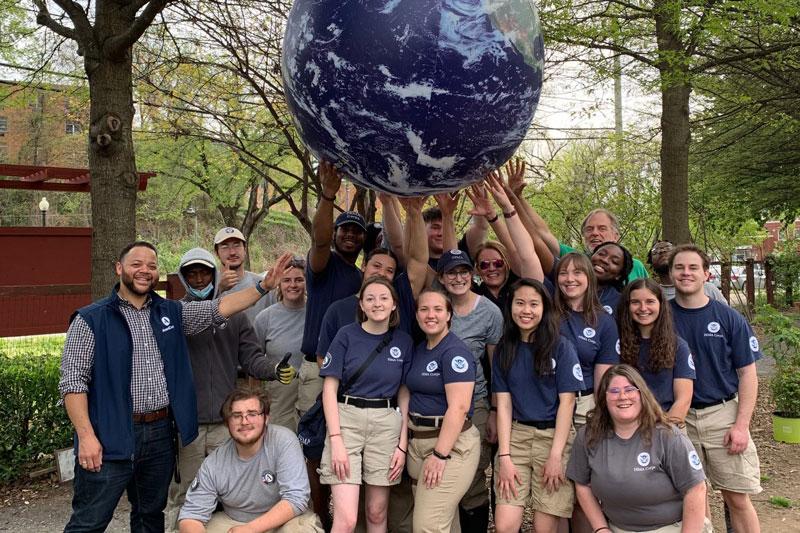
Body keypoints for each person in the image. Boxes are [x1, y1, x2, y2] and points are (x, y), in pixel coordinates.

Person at [58, 241, 293, 532]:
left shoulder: (170, 312)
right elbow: (72, 382)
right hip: (110, 433)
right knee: (90, 520)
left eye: (152, 266)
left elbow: (218, 309)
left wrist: (262, 288)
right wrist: (86, 435)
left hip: (159, 433)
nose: (145, 271)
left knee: (150, 514)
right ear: (119, 269)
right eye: (136, 264)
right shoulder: (90, 319)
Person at [166, 247, 284, 532]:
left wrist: (274, 369)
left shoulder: (236, 315)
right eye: (191, 273)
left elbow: (252, 357)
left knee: (231, 491)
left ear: (214, 273)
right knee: (187, 495)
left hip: (226, 423)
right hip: (188, 425)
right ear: (183, 278)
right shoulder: (173, 315)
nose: (197, 279)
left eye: (203, 272)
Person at [669, 244, 763, 531]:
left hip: (722, 415)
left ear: (706, 274)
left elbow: (748, 374)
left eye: (693, 267)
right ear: (671, 273)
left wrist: (741, 425)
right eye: (680, 267)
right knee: (694, 498)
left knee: (737, 497)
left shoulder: (728, 318)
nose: (686, 273)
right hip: (677, 419)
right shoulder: (661, 317)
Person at [319, 277, 414, 532]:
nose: (377, 303)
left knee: (376, 512)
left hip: (386, 421)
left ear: (394, 304)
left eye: (384, 298)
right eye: (370, 298)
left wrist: (402, 445)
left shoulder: (403, 342)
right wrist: (336, 438)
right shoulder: (346, 335)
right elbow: (330, 387)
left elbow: (404, 393)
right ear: (361, 304)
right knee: (347, 518)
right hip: (347, 419)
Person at [567, 364, 709, 533]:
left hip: (673, 527)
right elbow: (582, 485)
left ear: (642, 394)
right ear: (603, 398)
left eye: (629, 389)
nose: (622, 396)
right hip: (617, 528)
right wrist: (601, 528)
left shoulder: (668, 437)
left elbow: (696, 489)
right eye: (614, 391)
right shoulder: (588, 436)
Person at [493, 279, 583, 533]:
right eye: (519, 303)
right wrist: (505, 456)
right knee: (505, 525)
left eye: (534, 304)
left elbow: (567, 403)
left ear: (544, 308)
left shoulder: (561, 346)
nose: (526, 310)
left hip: (553, 437)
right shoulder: (504, 348)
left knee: (545, 528)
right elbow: (504, 404)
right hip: (517, 436)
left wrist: (556, 455)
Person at [178, 387, 323, 533]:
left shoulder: (284, 441)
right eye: (236, 415)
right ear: (227, 423)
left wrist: (251, 529)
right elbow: (191, 516)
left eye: (252, 414)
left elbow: (296, 499)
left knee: (302, 529)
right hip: (233, 521)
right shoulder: (215, 462)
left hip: (283, 520)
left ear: (266, 418)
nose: (244, 421)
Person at [403, 288, 481, 533]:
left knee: (428, 526)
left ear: (449, 315)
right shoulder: (419, 349)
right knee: (444, 522)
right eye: (424, 309)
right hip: (419, 443)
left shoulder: (454, 352)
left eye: (438, 309)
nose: (430, 315)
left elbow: (459, 408)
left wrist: (440, 455)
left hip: (449, 446)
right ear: (416, 315)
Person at [436, 248, 502, 530]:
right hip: (435, 403)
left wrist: (495, 411)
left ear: (473, 274)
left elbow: (496, 366)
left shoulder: (489, 312)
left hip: (474, 404)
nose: (458, 277)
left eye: (463, 271)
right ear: (441, 277)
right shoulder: (434, 307)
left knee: (473, 473)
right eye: (451, 272)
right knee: (440, 473)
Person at [553, 252, 619, 426]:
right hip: (545, 403)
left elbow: (603, 378)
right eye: (563, 273)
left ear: (589, 277)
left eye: (577, 272)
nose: (569, 278)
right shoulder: (546, 314)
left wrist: (600, 415)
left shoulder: (605, 322)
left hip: (583, 408)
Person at [617, 278, 695, 421]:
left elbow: (683, 400)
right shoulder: (617, 343)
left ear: (661, 305)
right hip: (626, 425)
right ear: (627, 306)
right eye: (635, 302)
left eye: (650, 301)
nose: (643, 308)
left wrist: (665, 434)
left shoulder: (678, 346)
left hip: (666, 425)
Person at [253, 256, 308, 432]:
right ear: (279, 284)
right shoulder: (265, 318)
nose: (293, 285)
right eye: (287, 280)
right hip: (278, 396)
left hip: (310, 394)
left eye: (299, 280)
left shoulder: (317, 314)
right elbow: (253, 361)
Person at [560, 209, 648, 283]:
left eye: (602, 228)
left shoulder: (636, 266)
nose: (594, 233)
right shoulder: (573, 259)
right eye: (589, 229)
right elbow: (547, 237)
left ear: (615, 236)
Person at [213, 226, 274, 324]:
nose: (232, 252)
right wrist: (218, 289)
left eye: (237, 245)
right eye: (225, 247)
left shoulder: (263, 283)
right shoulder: (208, 286)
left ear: (245, 249)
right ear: (216, 252)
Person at [648, 240, 726, 302]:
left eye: (667, 249)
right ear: (651, 261)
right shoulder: (651, 294)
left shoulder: (708, 289)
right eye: (655, 251)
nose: (662, 252)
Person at [590, 241, 634, 316]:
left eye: (614, 261)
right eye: (601, 254)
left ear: (619, 275)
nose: (604, 260)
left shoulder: (620, 303)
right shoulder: (566, 286)